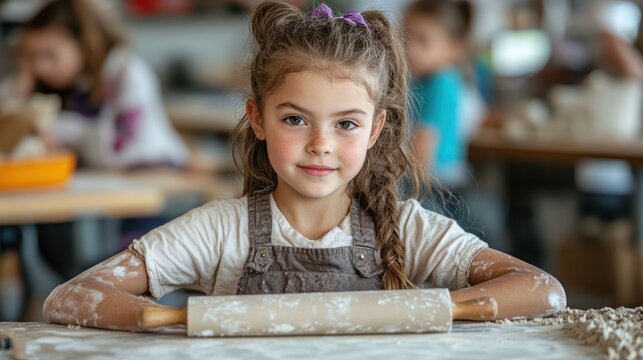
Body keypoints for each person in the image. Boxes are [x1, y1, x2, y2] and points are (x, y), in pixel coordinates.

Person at [42, 2, 565, 331]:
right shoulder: (222, 231)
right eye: (295, 119)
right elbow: (70, 298)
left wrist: (434, 307)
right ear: (258, 118)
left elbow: (544, 291)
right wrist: (178, 319)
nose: (320, 144)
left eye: (346, 124)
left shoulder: (407, 229)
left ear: (377, 129)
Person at [3, 0, 188, 169]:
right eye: (30, 56)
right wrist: (22, 84)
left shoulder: (127, 73)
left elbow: (121, 151)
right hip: (107, 184)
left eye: (50, 55)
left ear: (84, 45)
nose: (39, 67)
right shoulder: (60, 82)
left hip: (159, 176)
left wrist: (63, 132)